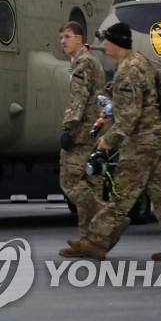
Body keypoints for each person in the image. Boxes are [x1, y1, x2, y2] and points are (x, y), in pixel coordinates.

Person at [76, 22, 161, 261]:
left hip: (143, 140)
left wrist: (109, 140)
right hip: (156, 137)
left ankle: (95, 242)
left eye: (107, 41)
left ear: (117, 42)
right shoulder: (140, 62)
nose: (104, 45)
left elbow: (130, 113)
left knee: (122, 191)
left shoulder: (127, 70)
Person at [55, 22, 107, 258]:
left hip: (82, 133)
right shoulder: (91, 61)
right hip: (95, 131)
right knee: (91, 183)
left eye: (67, 37)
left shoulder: (83, 63)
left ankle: (105, 215)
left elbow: (79, 98)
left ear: (79, 39)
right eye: (61, 38)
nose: (63, 41)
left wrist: (68, 128)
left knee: (69, 181)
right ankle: (91, 241)